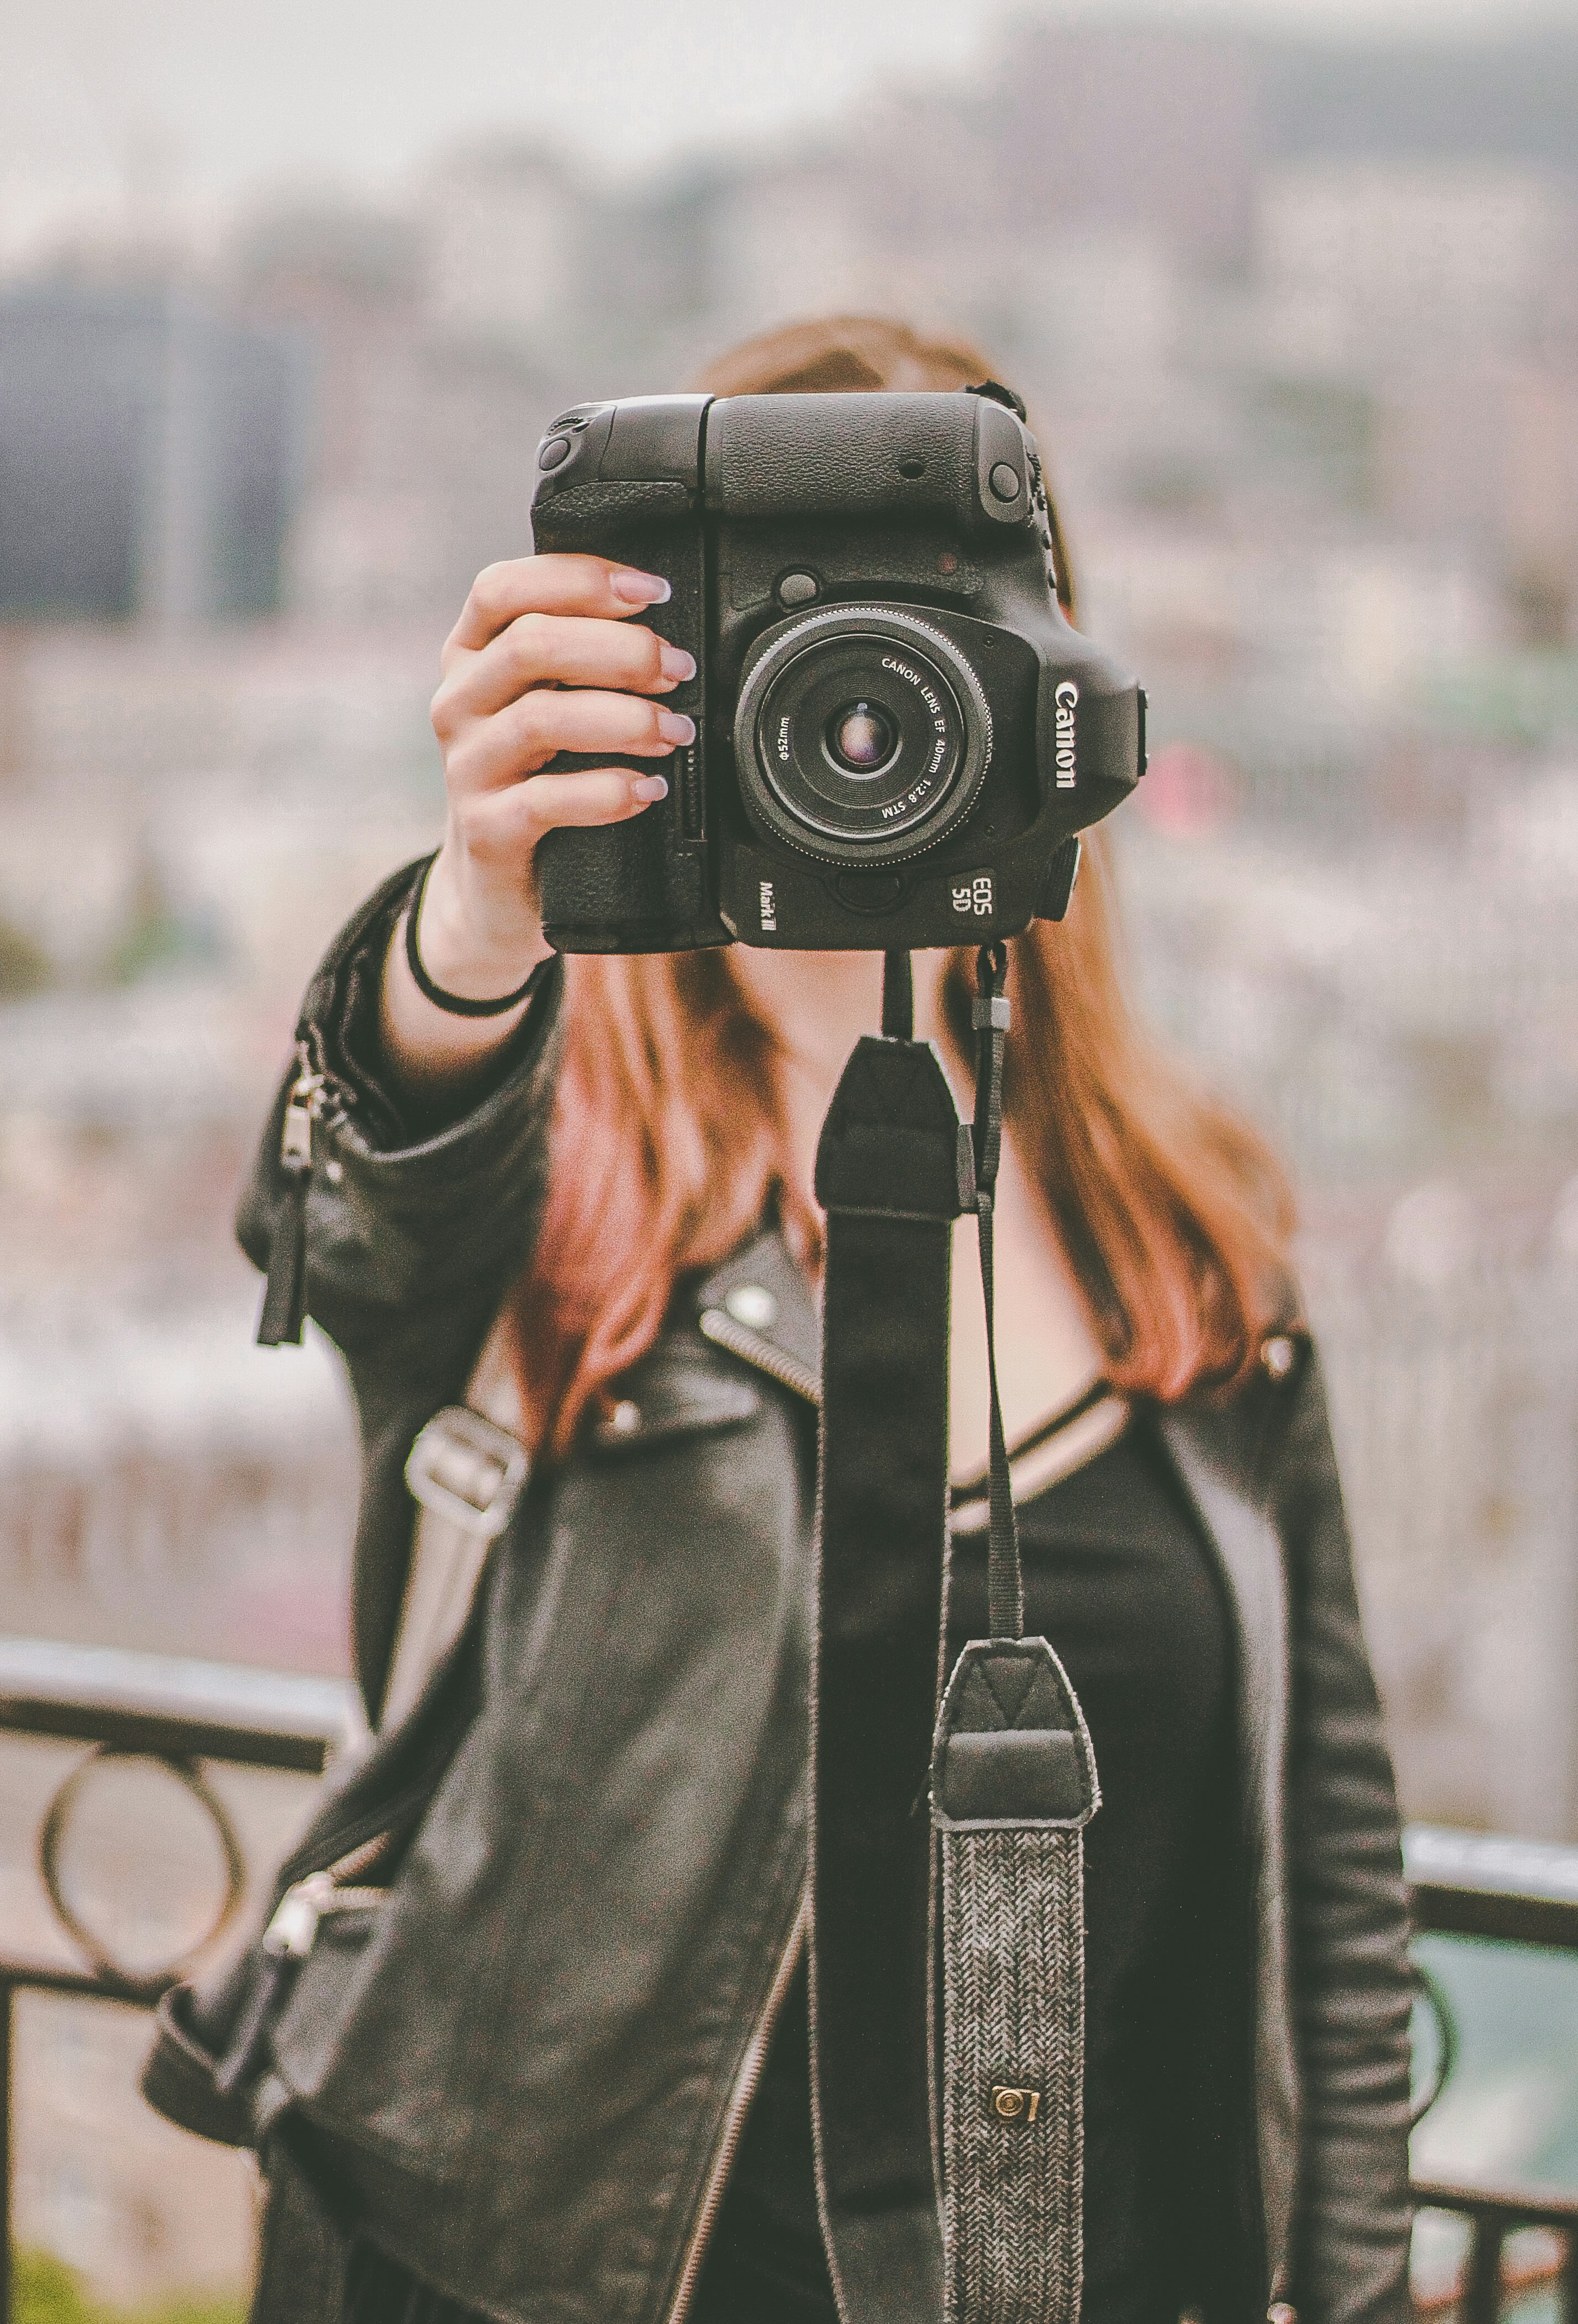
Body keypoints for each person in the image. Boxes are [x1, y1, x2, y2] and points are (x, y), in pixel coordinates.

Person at [237, 316, 1415, 2324]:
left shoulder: (1190, 1238)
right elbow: (346, 1228)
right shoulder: (556, 1166)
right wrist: (472, 925)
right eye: (772, 639)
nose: (849, 711)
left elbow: (1337, 1870)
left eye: (919, 635)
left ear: (1051, 688)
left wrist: (1361, 2290)